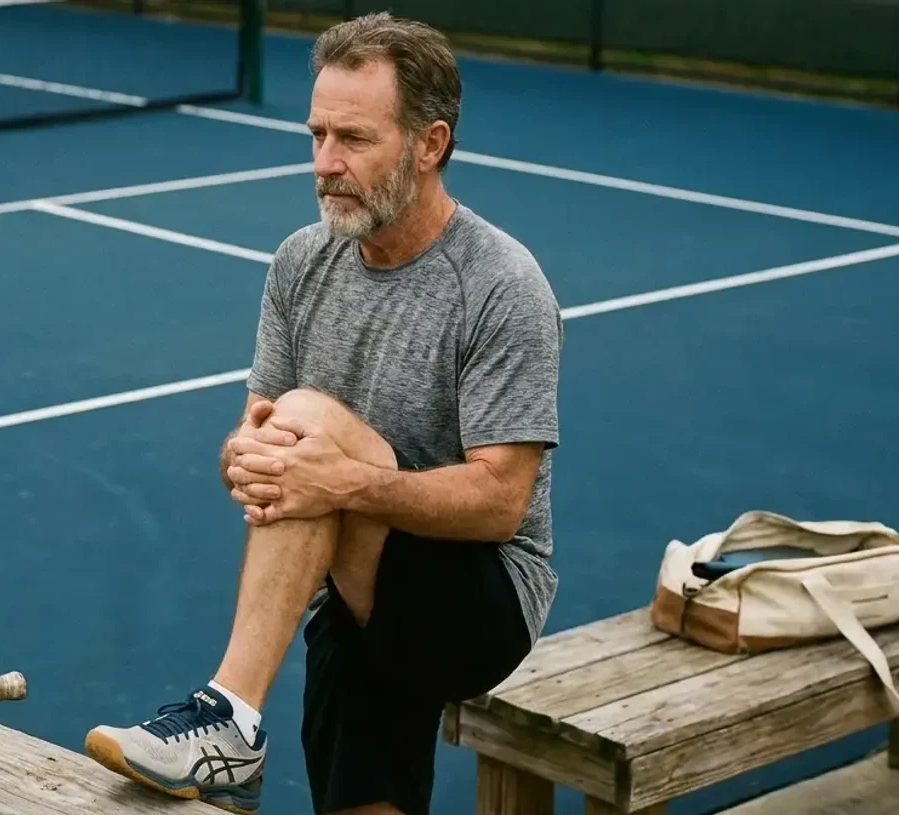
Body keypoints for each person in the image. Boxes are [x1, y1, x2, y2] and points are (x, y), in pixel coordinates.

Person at [84, 12, 562, 815]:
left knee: (308, 416)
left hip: (480, 601)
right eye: (317, 135)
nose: (325, 163)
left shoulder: (502, 285)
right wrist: (244, 457)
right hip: (352, 580)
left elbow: (500, 502)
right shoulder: (299, 262)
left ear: (430, 144)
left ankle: (230, 717)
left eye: (354, 139)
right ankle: (234, 735)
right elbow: (258, 436)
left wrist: (337, 480)